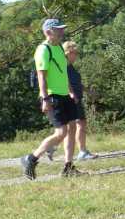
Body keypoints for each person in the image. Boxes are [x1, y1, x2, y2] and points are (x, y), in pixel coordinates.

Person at [21, 19, 81, 179]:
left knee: (72, 128)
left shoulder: (59, 48)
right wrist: (45, 99)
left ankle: (68, 167)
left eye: (62, 29)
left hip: (65, 94)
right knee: (61, 132)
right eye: (58, 29)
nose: (62, 32)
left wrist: (71, 91)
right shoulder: (43, 50)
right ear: (48, 32)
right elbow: (41, 76)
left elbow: (63, 72)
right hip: (52, 95)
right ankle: (31, 159)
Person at [62, 40, 96, 161]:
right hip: (72, 99)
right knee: (80, 124)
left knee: (72, 126)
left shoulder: (70, 66)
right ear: (68, 52)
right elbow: (64, 82)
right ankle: (82, 152)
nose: (76, 55)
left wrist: (87, 90)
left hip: (76, 97)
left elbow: (77, 83)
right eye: (75, 53)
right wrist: (71, 94)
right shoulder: (64, 66)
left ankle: (52, 146)